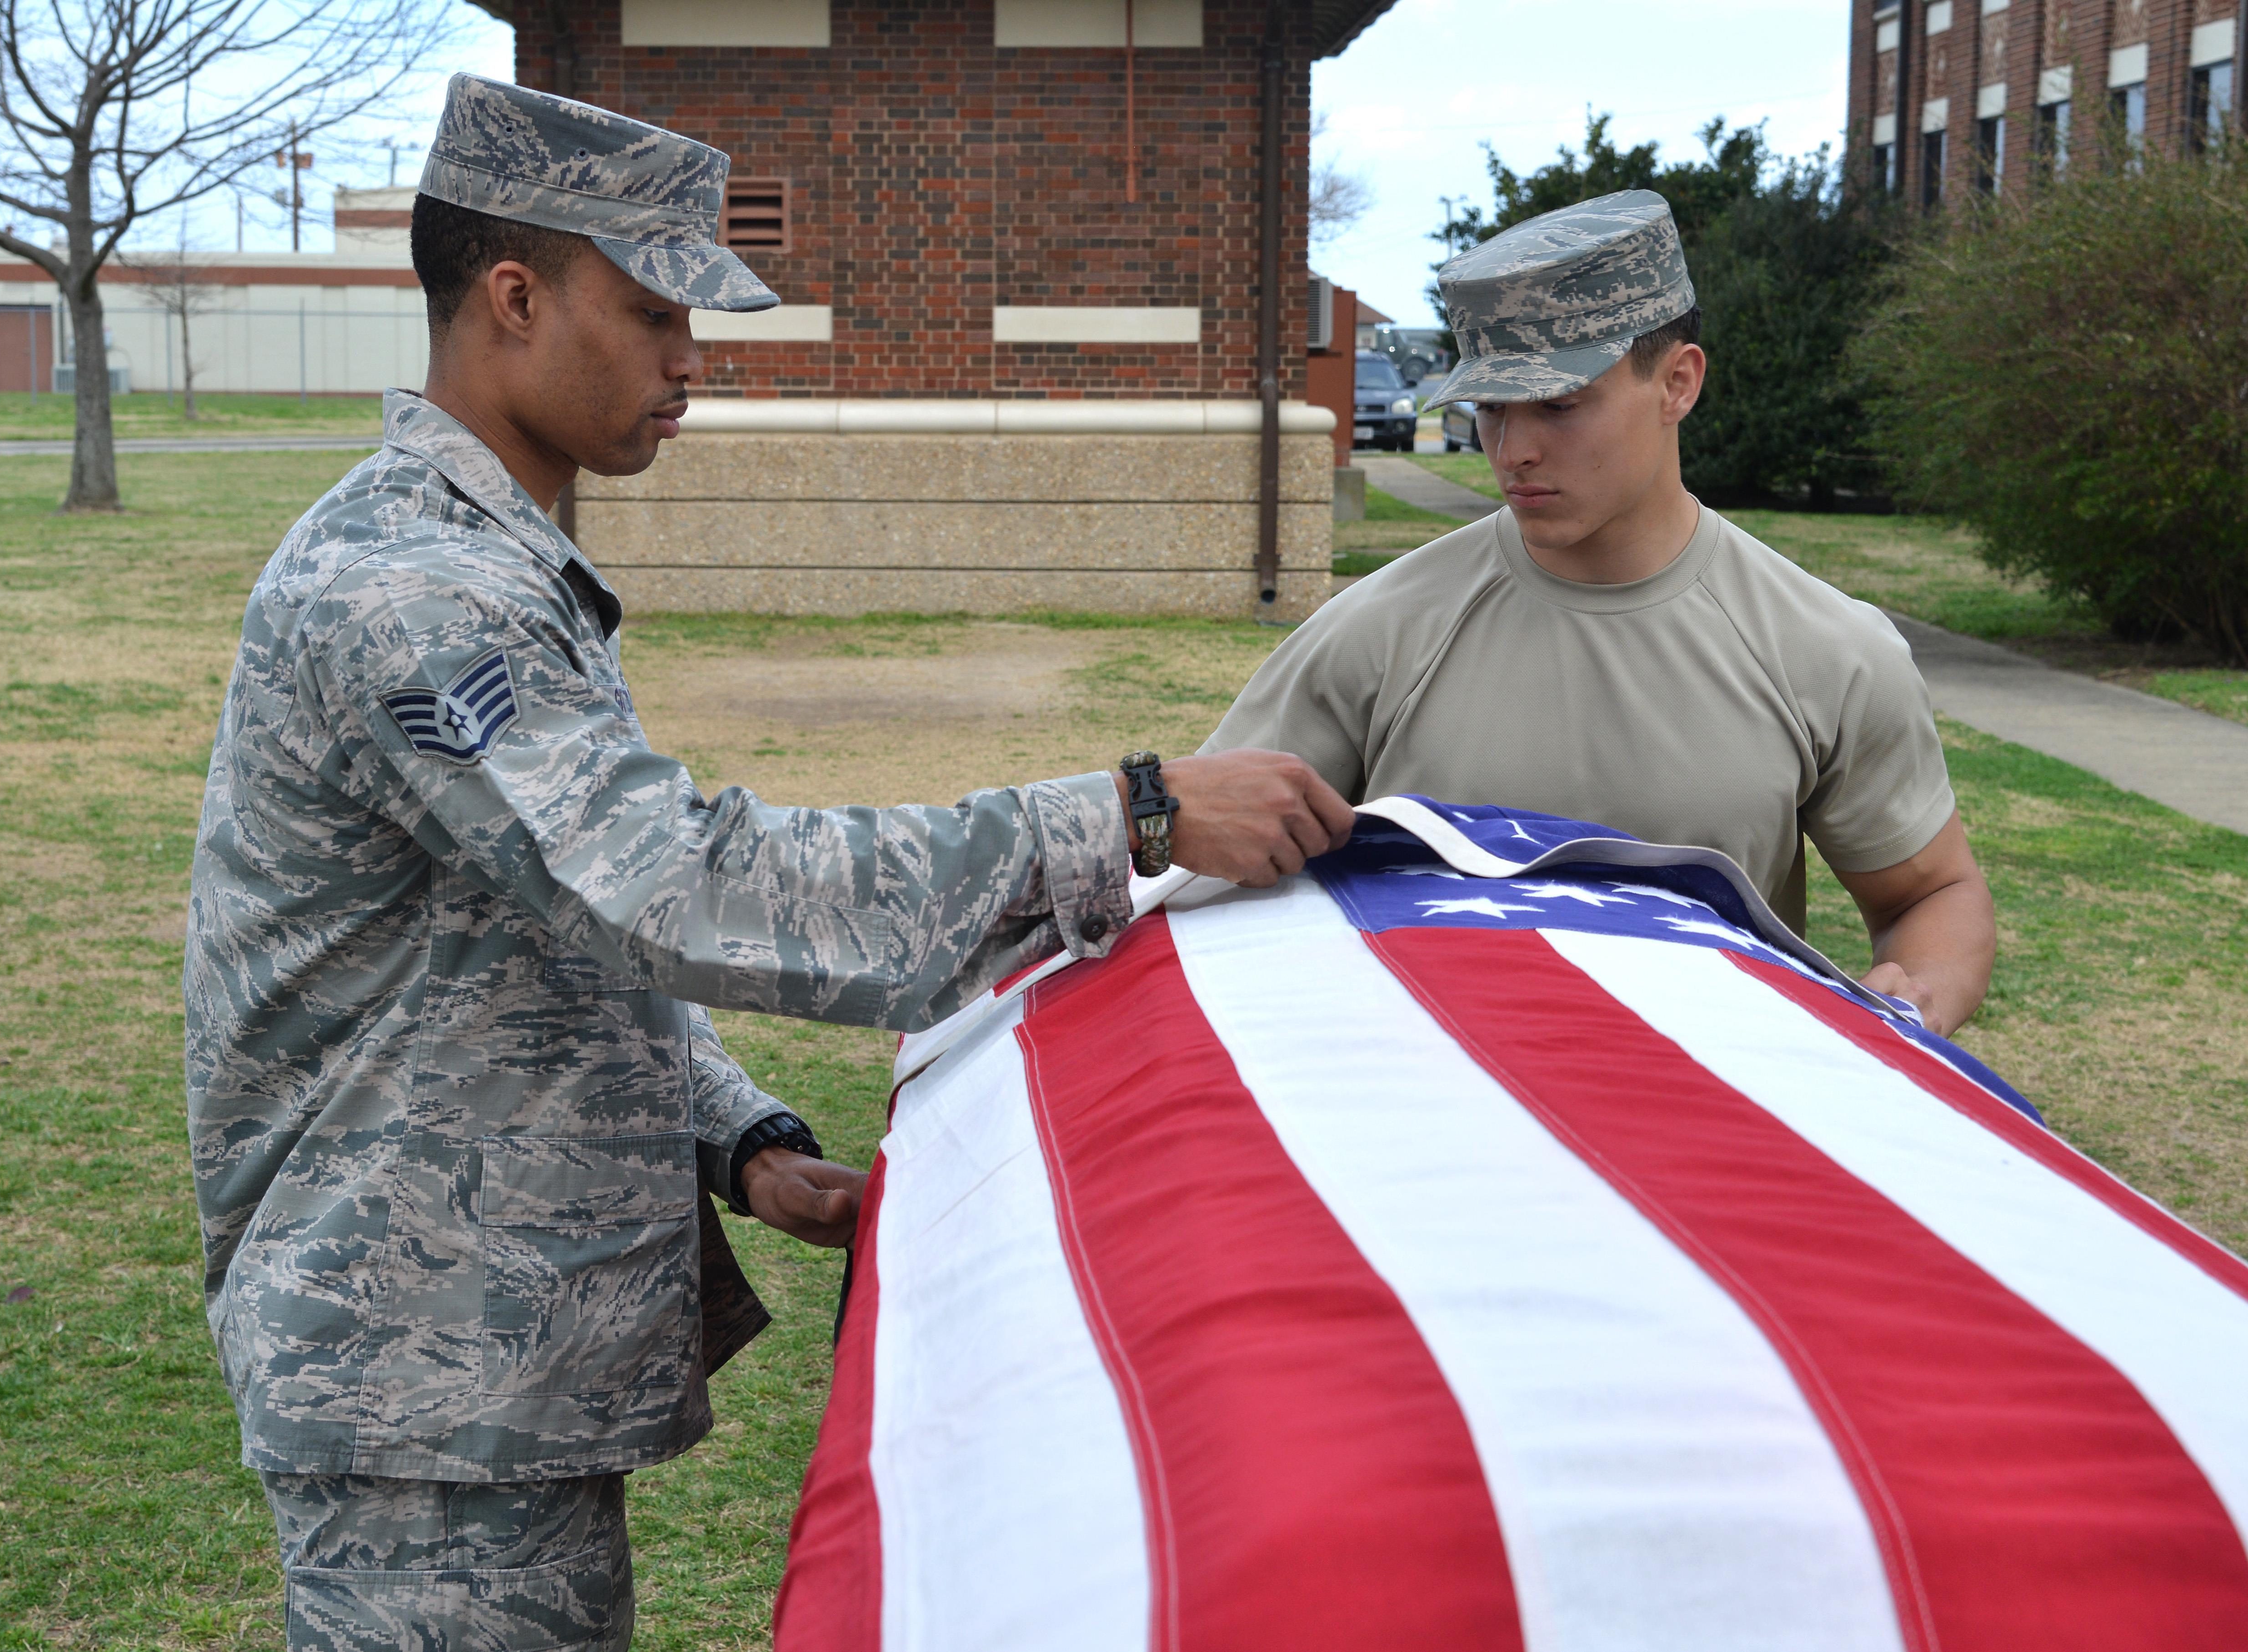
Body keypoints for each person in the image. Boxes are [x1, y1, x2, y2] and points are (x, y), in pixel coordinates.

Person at [184, 74, 1350, 1652]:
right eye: (656, 305)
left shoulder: (493, 560)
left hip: (469, 1356)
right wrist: (1130, 813)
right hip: (416, 1385)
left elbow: (549, 930)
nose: (691, 356)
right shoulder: (413, 589)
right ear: (513, 298)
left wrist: (740, 1136)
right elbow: (671, 880)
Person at [1204, 190, 1993, 1035]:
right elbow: (1207, 858)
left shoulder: (1824, 649)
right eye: (1491, 409)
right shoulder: (1377, 632)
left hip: (1706, 1125)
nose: (1513, 452)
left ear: (1678, 382)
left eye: (1557, 404)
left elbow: (1931, 891)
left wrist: (1916, 1000)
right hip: (1438, 1120)